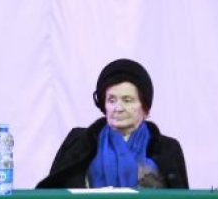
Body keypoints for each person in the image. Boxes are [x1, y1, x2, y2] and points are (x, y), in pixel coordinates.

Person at [37, 58, 188, 188]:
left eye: (127, 100)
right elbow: (53, 198)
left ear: (145, 107)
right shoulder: (78, 143)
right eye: (111, 100)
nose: (118, 108)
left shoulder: (167, 149)